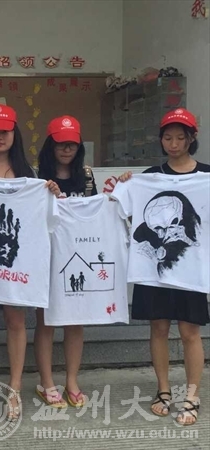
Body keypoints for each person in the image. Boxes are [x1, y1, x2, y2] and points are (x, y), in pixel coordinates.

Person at [0, 104, 60, 422]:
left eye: (4, 131)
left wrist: (51, 193)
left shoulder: (31, 179)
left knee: (16, 321)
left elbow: (47, 221)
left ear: (14, 134)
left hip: (19, 265)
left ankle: (15, 387)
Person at [116, 108, 209, 426]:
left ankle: (192, 395)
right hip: (154, 272)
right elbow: (124, 210)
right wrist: (128, 184)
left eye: (180, 137)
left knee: (190, 331)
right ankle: (164, 390)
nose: (173, 143)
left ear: (191, 139)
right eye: (167, 138)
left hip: (191, 271)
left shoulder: (207, 177)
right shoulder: (148, 177)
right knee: (158, 327)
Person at [34, 115, 96, 408]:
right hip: (46, 257)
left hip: (78, 256)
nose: (67, 149)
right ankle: (46, 382)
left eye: (72, 143)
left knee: (75, 321)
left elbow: (95, 212)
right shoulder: (37, 177)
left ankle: (72, 380)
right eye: (61, 143)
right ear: (51, 145)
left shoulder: (87, 176)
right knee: (45, 322)